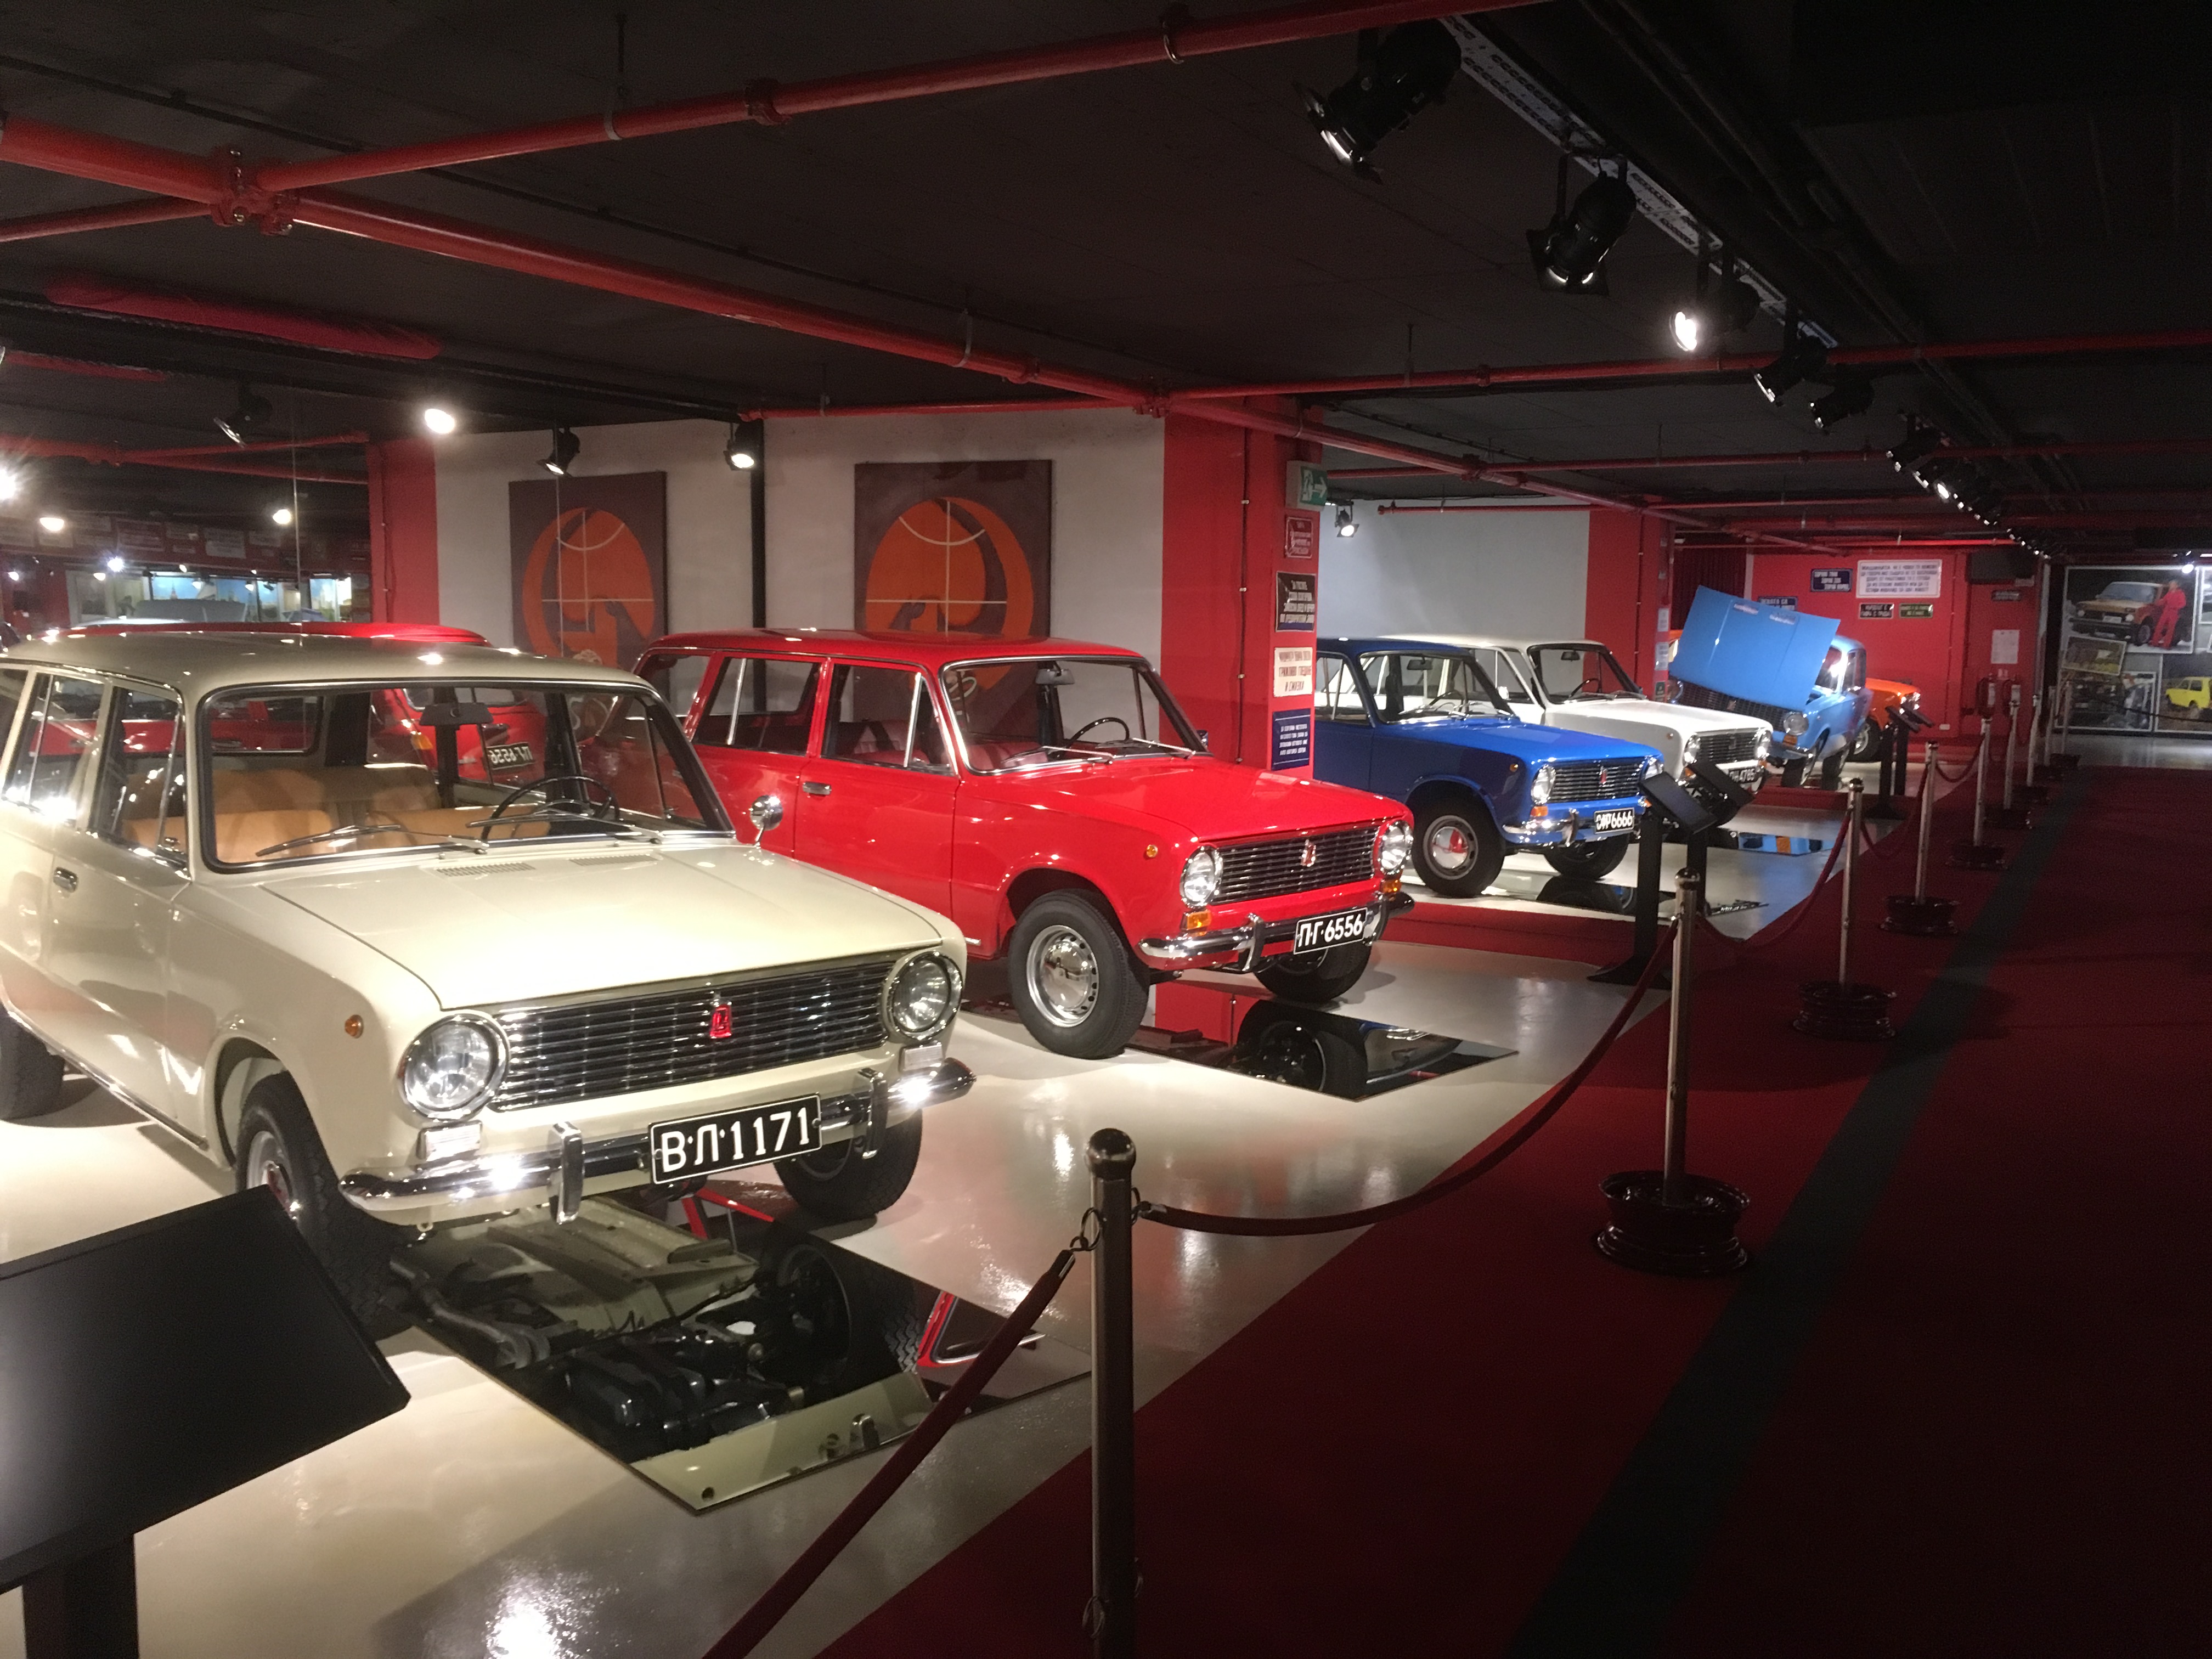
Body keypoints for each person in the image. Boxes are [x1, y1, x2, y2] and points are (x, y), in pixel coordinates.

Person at [2142, 579, 2190, 649]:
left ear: (2176, 586)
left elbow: (2183, 604)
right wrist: (2156, 603)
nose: (2171, 586)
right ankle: (2155, 642)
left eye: (2172, 584)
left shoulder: (2180, 594)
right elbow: (2164, 601)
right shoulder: (2169, 593)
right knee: (2159, 627)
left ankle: (2166, 644)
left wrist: (2174, 607)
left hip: (2173, 613)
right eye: (2170, 585)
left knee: (2170, 629)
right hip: (2166, 612)